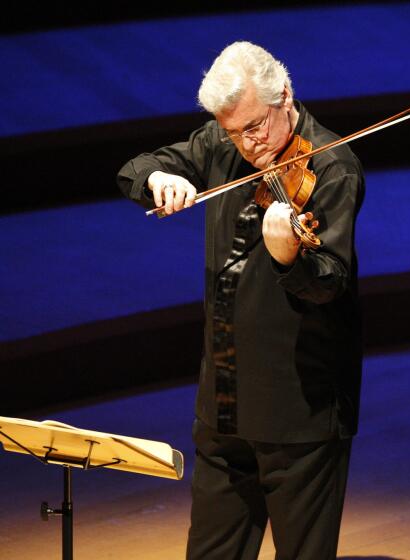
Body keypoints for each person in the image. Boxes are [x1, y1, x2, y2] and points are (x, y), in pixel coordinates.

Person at [117, 41, 364, 560]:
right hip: (223, 406)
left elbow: (330, 282)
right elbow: (138, 167)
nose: (248, 145)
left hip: (300, 415)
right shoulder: (221, 142)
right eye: (233, 132)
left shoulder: (334, 168)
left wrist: (288, 258)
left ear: (285, 97)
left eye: (255, 127)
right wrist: (159, 178)